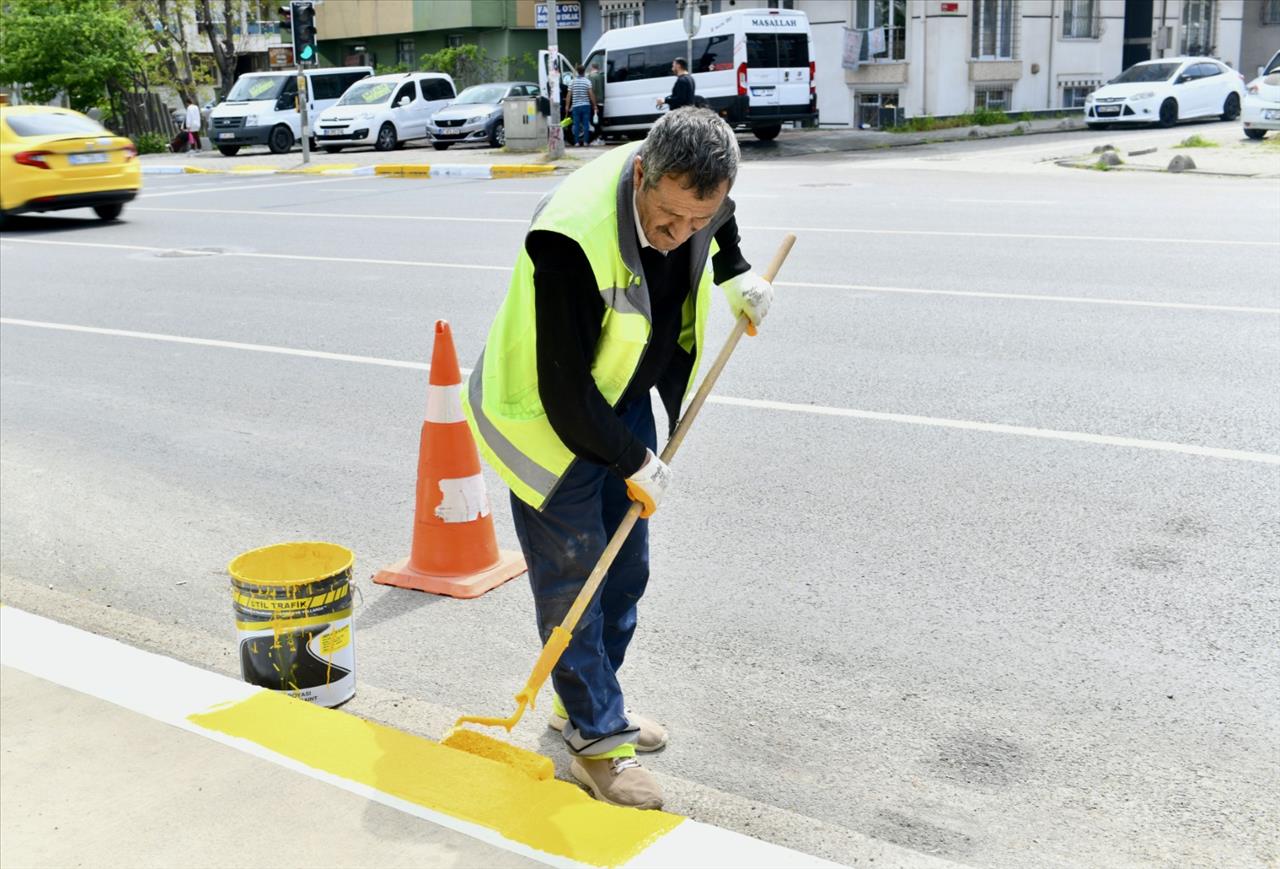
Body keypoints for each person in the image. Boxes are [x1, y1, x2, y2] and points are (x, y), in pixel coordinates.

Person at [462, 109, 774, 810]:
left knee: (626, 565)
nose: (678, 236)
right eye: (667, 219)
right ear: (641, 175)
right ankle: (598, 742)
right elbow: (564, 392)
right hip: (545, 419)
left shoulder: (695, 196)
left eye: (696, 220)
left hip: (618, 394)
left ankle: (582, 704)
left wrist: (737, 275)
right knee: (577, 578)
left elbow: (719, 222)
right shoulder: (570, 237)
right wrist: (633, 457)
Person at [568, 63, 596, 147]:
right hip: (586, 106)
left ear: (577, 71)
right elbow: (591, 94)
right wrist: (594, 105)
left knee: (576, 124)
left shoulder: (572, 82)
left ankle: (576, 142)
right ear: (584, 72)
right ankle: (585, 142)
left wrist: (567, 106)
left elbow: (569, 95)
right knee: (586, 124)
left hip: (576, 106)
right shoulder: (587, 81)